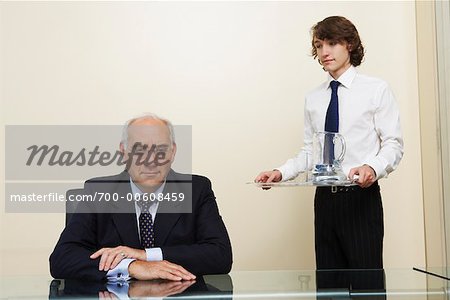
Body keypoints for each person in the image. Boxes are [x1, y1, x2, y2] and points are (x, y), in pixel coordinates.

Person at [255, 16, 403, 269]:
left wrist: (371, 167)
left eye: (332, 43)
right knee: (328, 286)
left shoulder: (376, 89)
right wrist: (281, 172)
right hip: (324, 200)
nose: (324, 52)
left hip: (360, 199)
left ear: (350, 45)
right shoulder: (313, 98)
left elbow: (393, 144)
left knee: (366, 287)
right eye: (319, 45)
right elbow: (310, 151)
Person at [50, 113, 233, 281]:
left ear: (173, 151)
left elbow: (220, 255)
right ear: (123, 152)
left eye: (160, 149)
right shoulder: (98, 192)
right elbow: (62, 258)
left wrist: (146, 255)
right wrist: (131, 266)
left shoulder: (196, 190)